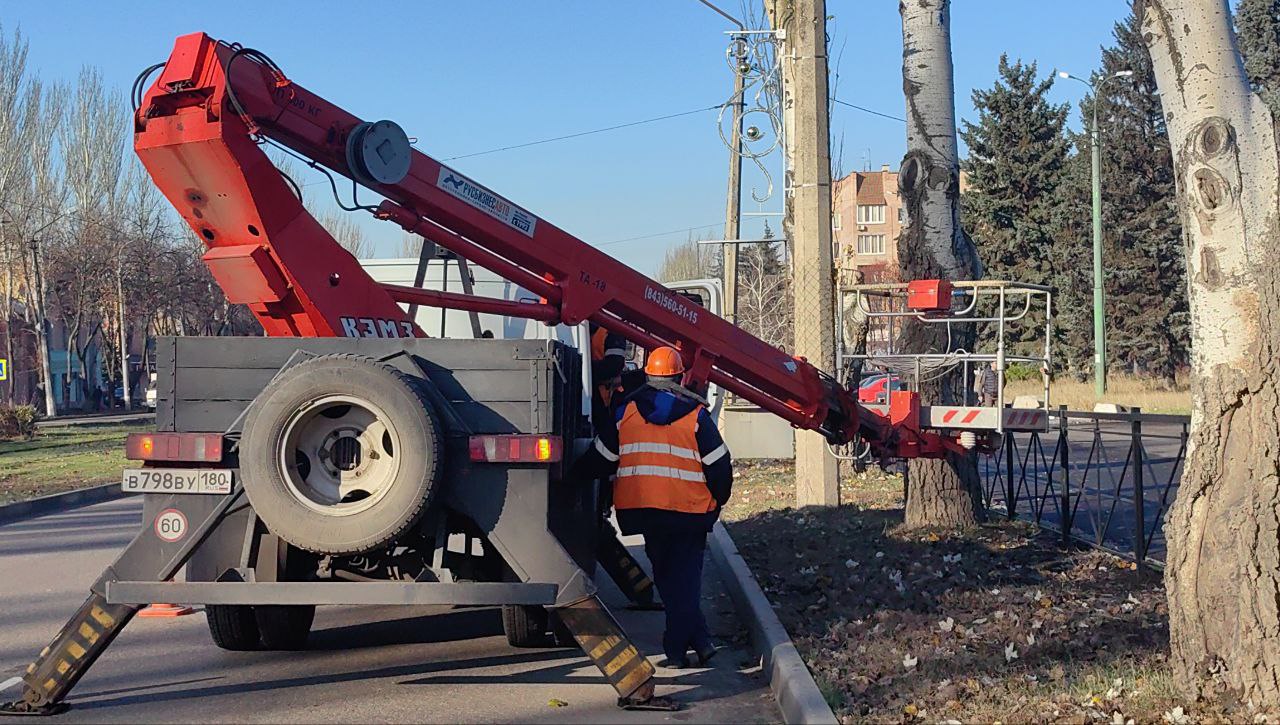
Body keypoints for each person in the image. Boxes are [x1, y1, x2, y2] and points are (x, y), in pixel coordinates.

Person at [585, 345, 733, 668]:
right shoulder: (696, 417)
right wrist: (718, 500)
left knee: (668, 580)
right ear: (681, 376)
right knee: (686, 581)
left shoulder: (626, 413)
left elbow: (601, 459)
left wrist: (571, 480)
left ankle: (698, 643)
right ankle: (681, 649)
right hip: (691, 514)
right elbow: (720, 467)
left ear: (647, 375)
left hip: (646, 513)